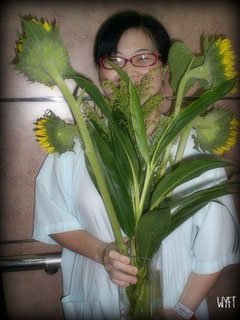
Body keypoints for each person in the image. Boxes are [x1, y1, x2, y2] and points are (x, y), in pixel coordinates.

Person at [33, 10, 239, 320]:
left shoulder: (194, 146)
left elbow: (216, 243)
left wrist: (182, 310)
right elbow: (56, 219)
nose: (129, 72)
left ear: (166, 71)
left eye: (144, 58)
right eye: (113, 60)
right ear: (100, 74)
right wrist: (102, 252)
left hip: (174, 302)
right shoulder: (77, 144)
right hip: (97, 299)